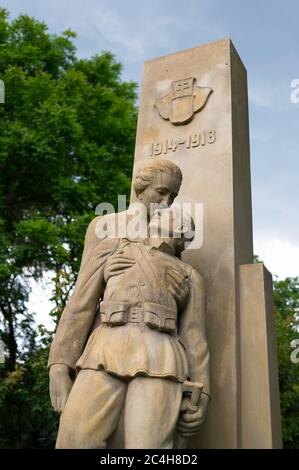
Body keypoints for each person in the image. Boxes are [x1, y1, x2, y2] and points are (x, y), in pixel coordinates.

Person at [53, 206, 210, 448]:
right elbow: (79, 306)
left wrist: (203, 395)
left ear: (181, 230)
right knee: (74, 439)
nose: (159, 210)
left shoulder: (190, 277)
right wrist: (59, 365)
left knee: (149, 448)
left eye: (169, 213)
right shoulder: (112, 249)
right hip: (103, 350)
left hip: (161, 359)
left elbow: (195, 339)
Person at [49, 159, 185, 414]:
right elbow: (82, 299)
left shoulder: (172, 238)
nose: (166, 203)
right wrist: (59, 364)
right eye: (161, 192)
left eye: (173, 196)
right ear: (141, 189)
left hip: (156, 353)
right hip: (104, 347)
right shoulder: (105, 227)